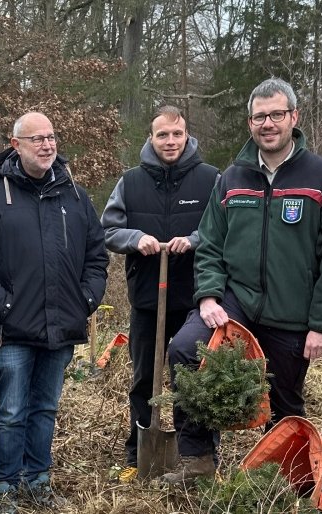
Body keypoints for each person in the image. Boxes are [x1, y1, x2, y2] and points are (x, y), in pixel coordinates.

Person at [161, 78, 322, 484]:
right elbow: (210, 243)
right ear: (250, 122)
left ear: (293, 118)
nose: (268, 123)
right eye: (260, 116)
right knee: (184, 350)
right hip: (237, 301)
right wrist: (209, 297)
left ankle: (277, 482)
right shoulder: (232, 178)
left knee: (284, 401)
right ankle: (197, 460)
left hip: (292, 311)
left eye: (276, 115)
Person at [0, 112, 108, 513]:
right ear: (16, 144)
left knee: (45, 409)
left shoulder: (75, 196)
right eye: (36, 139)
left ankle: (37, 480)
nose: (47, 145)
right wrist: (0, 303)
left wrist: (86, 300)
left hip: (62, 326)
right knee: (10, 412)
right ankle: (5, 487)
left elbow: (97, 254)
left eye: (51, 137)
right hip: (12, 329)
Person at [100, 105, 220, 481]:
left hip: (196, 300)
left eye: (177, 134)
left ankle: (197, 455)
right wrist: (137, 239)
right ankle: (139, 452)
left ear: (187, 136)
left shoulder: (210, 179)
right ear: (151, 138)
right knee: (143, 377)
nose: (170, 142)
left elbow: (223, 229)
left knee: (193, 380)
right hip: (148, 299)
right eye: (162, 135)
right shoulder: (131, 182)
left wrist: (194, 239)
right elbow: (108, 230)